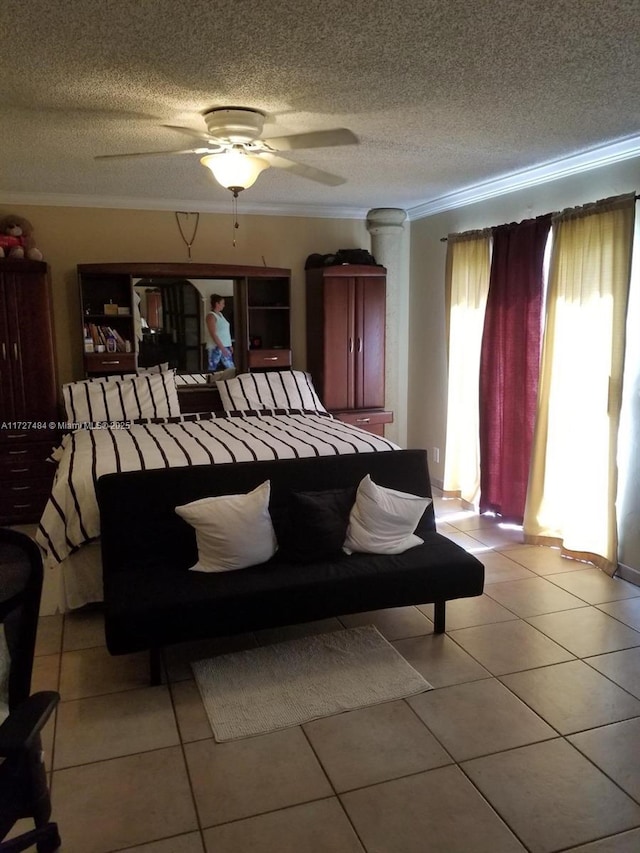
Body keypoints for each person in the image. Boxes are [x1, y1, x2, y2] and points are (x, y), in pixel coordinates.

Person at [206, 294, 235, 371]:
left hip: (225, 346)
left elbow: (224, 332)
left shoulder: (221, 315)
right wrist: (222, 348)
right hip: (216, 346)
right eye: (222, 303)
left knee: (231, 368)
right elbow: (213, 333)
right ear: (217, 304)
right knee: (212, 368)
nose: (223, 305)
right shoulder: (211, 316)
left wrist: (229, 345)